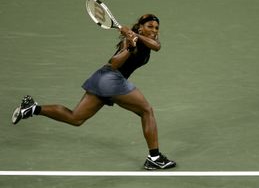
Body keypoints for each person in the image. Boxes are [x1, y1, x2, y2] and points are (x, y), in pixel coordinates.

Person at [12, 14, 176, 170]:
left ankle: (32, 108)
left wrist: (134, 35)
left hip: (101, 78)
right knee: (146, 110)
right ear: (141, 28)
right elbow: (114, 62)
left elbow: (157, 46)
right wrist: (130, 46)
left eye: (156, 28)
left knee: (75, 118)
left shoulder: (144, 39)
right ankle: (154, 158)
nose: (154, 31)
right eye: (150, 27)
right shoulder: (130, 41)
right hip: (112, 78)